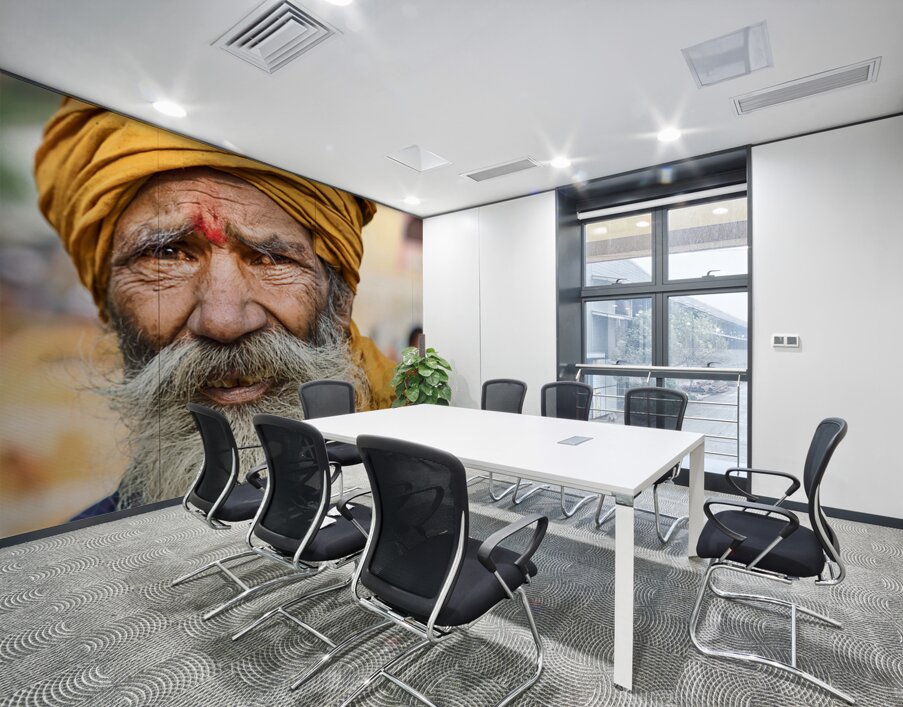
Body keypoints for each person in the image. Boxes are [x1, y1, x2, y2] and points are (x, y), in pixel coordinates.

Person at [34, 98, 396, 514]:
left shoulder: (405, 491)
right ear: (109, 305)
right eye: (166, 254)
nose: (223, 321)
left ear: (340, 304)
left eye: (272, 258)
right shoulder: (92, 550)